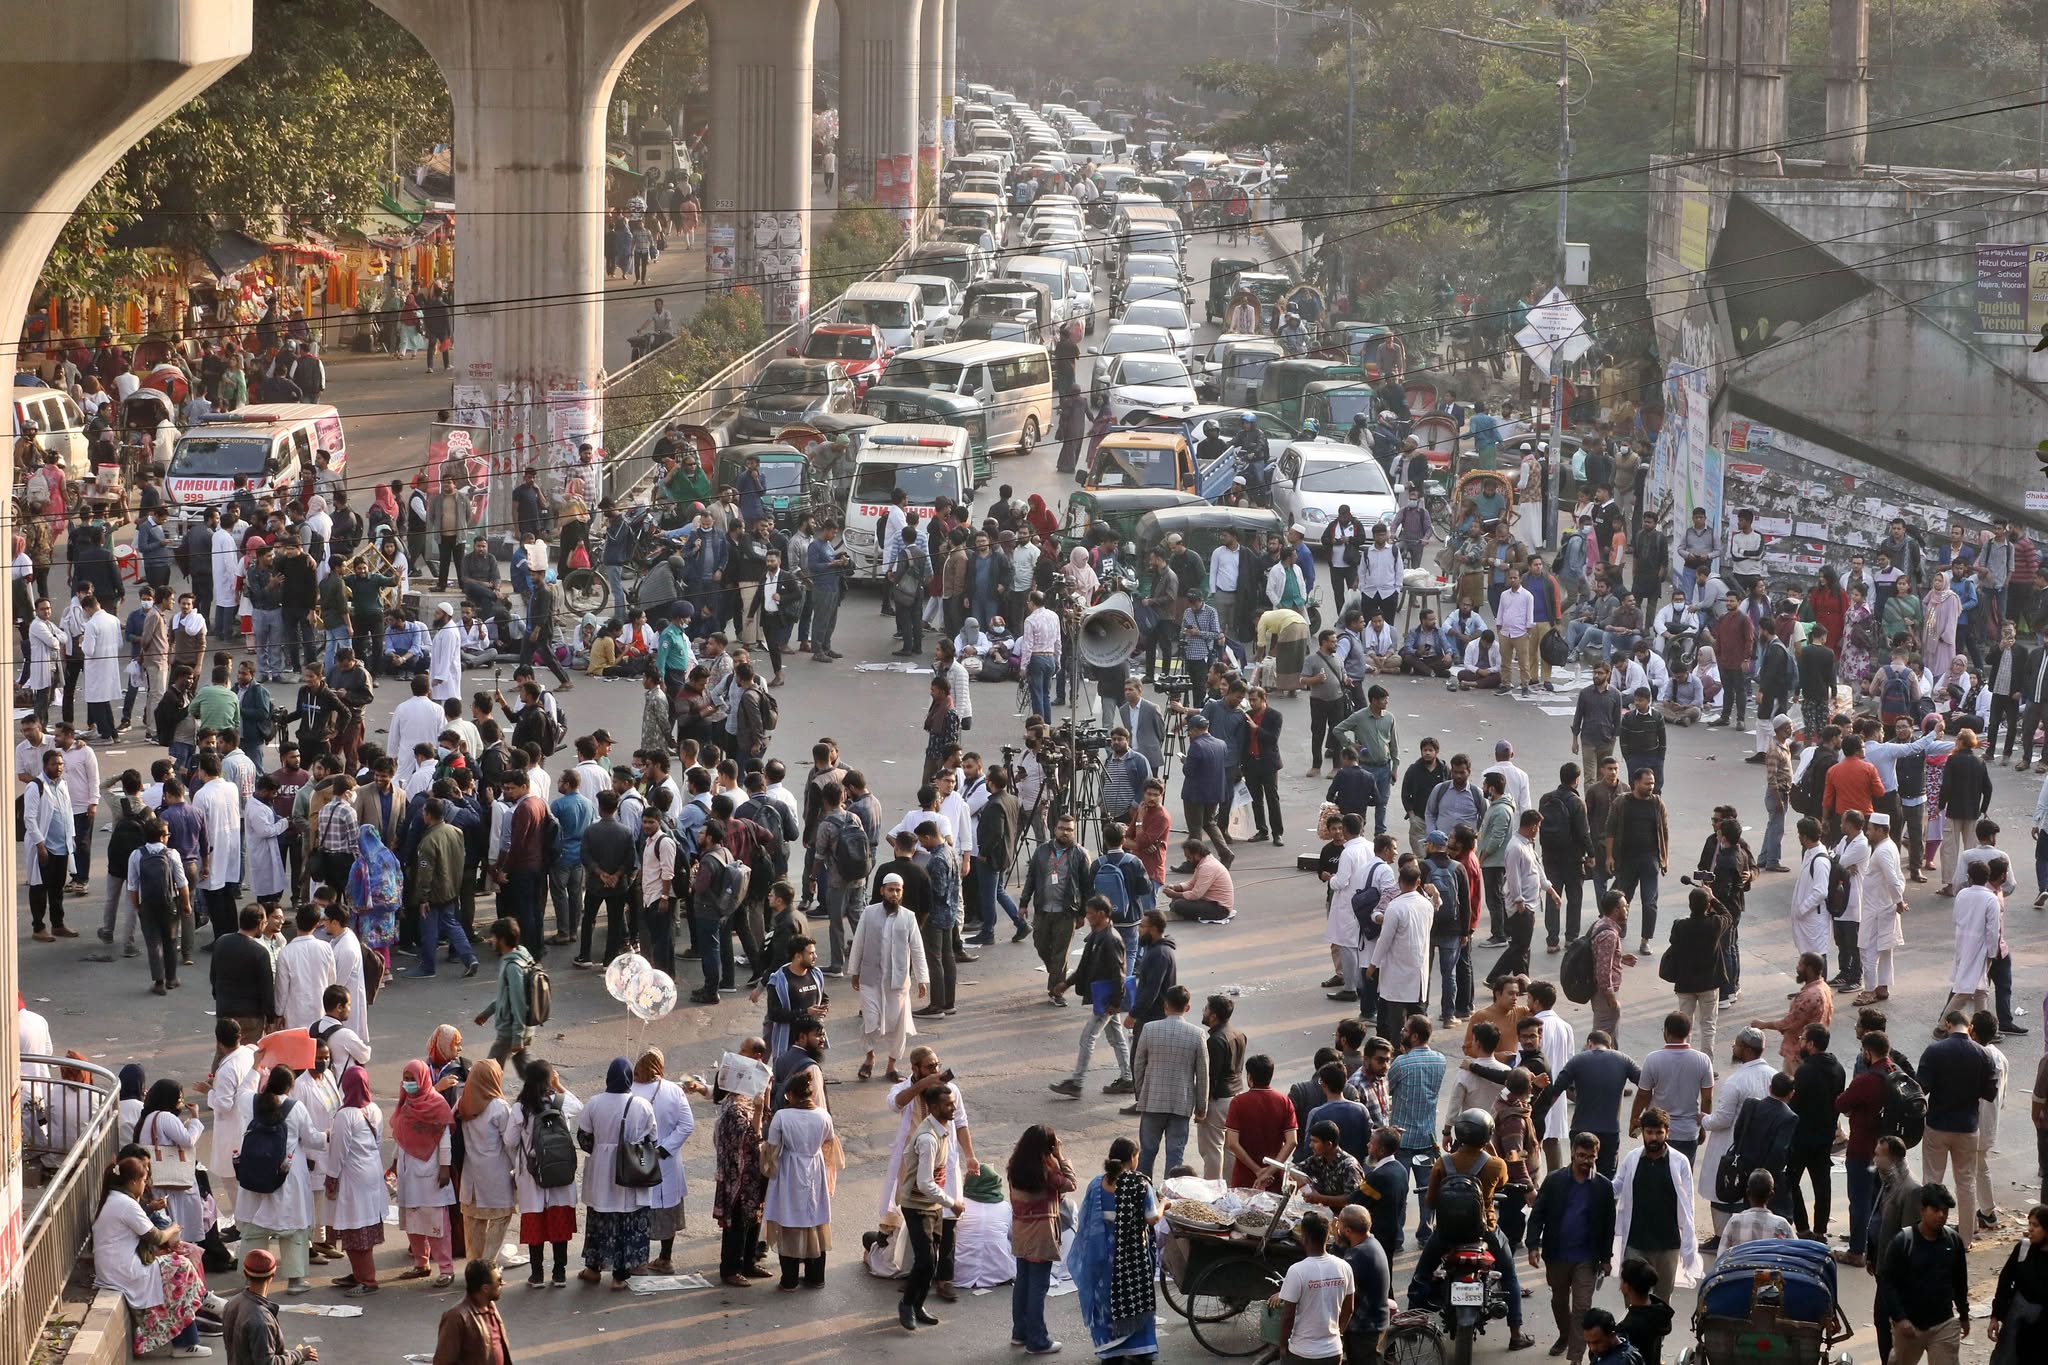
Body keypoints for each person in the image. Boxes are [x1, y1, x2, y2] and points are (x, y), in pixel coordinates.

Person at [93, 1154, 210, 1358]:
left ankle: (191, 1327)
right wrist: (173, 1228)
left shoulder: (117, 1198)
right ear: (132, 1182)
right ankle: (187, 1340)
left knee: (177, 1263)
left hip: (118, 1267)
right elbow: (155, 1237)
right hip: (124, 1270)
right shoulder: (125, 1204)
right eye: (144, 1179)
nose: (146, 1183)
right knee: (180, 1267)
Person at [1065, 1136, 1161, 1362]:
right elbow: (1151, 1219)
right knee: (1136, 1301)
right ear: (1132, 1158)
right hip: (1133, 1258)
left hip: (1103, 1257)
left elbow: (1086, 1222)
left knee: (1105, 1301)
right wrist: (1165, 1205)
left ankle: (1110, 1349)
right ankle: (1141, 1350)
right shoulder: (1140, 1185)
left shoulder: (1097, 1184)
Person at [235, 1063, 325, 1296]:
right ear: (290, 1086)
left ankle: (250, 1279)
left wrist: (255, 1065)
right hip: (286, 1177)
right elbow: (312, 1139)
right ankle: (295, 1280)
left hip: (254, 1174)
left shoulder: (250, 1102)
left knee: (254, 1231)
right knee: (293, 1230)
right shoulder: (296, 1108)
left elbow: (241, 1091)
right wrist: (326, 1136)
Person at [576, 1057, 658, 1288]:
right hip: (631, 1169)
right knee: (627, 1219)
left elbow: (584, 1138)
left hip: (601, 1171)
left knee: (600, 1218)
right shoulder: (642, 1105)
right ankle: (620, 1277)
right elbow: (653, 1138)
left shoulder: (594, 1103)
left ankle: (593, 1269)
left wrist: (603, 1151)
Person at [1612, 1108, 1702, 1303]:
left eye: (1659, 1133)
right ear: (1642, 1132)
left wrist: (1688, 1240)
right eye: (1649, 1132)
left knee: (1662, 1300)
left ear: (1667, 1132)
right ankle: (1633, 1334)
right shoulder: (1632, 1159)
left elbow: (1688, 1206)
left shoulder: (1680, 1162)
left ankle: (1656, 1335)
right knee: (1632, 1297)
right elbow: (1615, 1188)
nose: (1654, 1137)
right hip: (1636, 1243)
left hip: (1668, 1245)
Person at [1881, 1183, 1972, 1365]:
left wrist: (1963, 1314)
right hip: (1910, 1326)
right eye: (1936, 1210)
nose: (1941, 1216)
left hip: (1943, 1324)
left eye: (1945, 1211)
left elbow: (1960, 1281)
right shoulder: (1903, 1242)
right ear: (1922, 1210)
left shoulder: (1953, 1241)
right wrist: (1900, 1318)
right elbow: (1888, 1283)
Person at [762, 1068, 837, 1290]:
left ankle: (790, 1279)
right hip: (815, 1167)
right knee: (814, 1217)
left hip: (789, 1170)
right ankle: (816, 1277)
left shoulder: (782, 1116)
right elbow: (829, 1145)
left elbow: (771, 1150)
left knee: (789, 1218)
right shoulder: (824, 1115)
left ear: (790, 1095)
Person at [1007, 1125, 1075, 1356]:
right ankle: (1037, 1340)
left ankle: (1020, 1332)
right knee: (1038, 1287)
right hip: (1041, 1234)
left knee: (1023, 1284)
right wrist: (1060, 1157)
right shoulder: (1047, 1169)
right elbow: (1070, 1183)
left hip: (1020, 1230)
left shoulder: (1015, 1166)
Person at [1131, 984, 1209, 1179]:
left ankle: (1144, 1196)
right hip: (1181, 1104)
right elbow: (1203, 1073)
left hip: (1152, 1101)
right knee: (1175, 1156)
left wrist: (1141, 1094)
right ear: (1187, 1007)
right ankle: (1169, 1199)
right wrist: (1201, 1107)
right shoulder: (1197, 1034)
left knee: (1147, 1153)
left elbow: (1138, 1064)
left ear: (1165, 1005)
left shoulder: (1149, 1029)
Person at [391, 1058, 458, 1286]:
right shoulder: (406, 1103)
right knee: (413, 1222)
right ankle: (421, 1263)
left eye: (413, 1079)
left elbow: (445, 1140)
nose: (409, 1083)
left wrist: (444, 1168)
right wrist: (393, 1163)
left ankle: (446, 1269)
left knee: (436, 1225)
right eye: (406, 1079)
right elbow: (400, 1136)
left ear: (423, 1079)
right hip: (409, 1173)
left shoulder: (436, 1104)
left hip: (431, 1174)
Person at [323, 1065, 387, 1295]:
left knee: (355, 1229)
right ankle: (358, 1273)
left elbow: (338, 1152)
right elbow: (378, 1143)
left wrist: (331, 1179)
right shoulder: (375, 1109)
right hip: (371, 1173)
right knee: (362, 1227)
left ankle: (367, 1280)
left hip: (353, 1178)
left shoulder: (345, 1115)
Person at [1271, 1209, 1356, 1362]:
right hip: (1333, 1352)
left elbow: (1288, 1315)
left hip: (1302, 1353)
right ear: (1328, 1236)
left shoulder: (1297, 1271)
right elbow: (1348, 1309)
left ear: (1304, 1238)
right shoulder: (1344, 1267)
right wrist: (1337, 1334)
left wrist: (1283, 1346)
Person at [222, 1247, 316, 1365]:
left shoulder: (232, 1303)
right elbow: (268, 1362)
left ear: (246, 1274)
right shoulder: (262, 1320)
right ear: (273, 1274)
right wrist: (300, 1355)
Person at [1990, 1205, 2048, 1362]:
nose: (2030, 1229)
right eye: (2029, 1224)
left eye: (2036, 1225)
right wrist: (1996, 1316)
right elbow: (2005, 1281)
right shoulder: (2024, 1248)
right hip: (2015, 1317)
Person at [1721, 1169, 1795, 1247]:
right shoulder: (1781, 1224)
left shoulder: (1734, 1222)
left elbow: (1721, 1256)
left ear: (1748, 1193)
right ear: (1772, 1195)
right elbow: (1797, 1252)